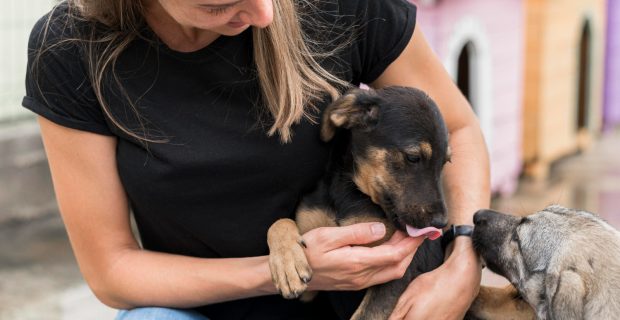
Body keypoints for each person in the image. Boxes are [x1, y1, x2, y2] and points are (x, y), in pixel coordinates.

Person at [24, 0, 490, 319]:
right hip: (200, 309)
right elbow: (112, 271)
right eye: (218, 3)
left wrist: (464, 263)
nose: (266, 14)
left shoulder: (340, 8)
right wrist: (279, 269)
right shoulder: (70, 49)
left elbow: (458, 129)